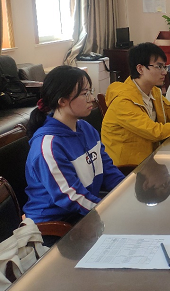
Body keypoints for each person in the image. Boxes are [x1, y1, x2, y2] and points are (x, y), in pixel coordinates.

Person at [24, 66, 124, 224]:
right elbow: (71, 196)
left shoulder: (85, 128)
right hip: (55, 225)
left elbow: (107, 168)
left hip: (84, 212)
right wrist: (110, 211)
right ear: (62, 101)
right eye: (84, 94)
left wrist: (127, 192)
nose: (92, 98)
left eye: (90, 91)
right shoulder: (48, 146)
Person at [101, 42, 170, 167]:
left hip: (150, 159)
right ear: (140, 69)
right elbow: (154, 132)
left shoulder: (153, 91)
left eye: (164, 67)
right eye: (159, 67)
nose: (164, 72)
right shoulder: (123, 101)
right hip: (126, 169)